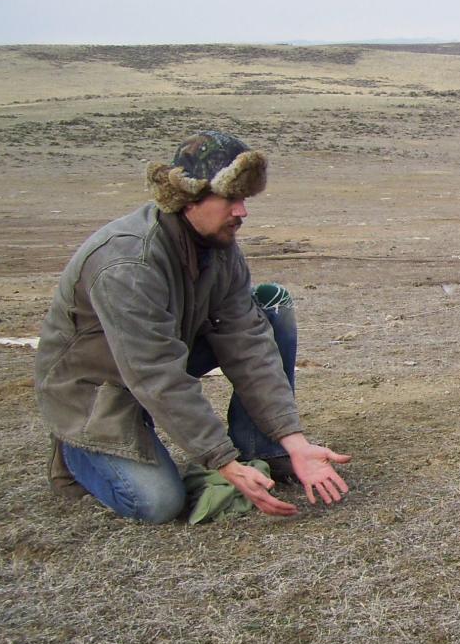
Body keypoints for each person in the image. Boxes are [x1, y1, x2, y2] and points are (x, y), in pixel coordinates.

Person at [35, 130, 350, 523]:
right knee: (159, 503)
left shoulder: (218, 248)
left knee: (268, 310)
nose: (242, 212)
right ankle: (75, 446)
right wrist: (224, 462)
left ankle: (264, 446)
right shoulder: (127, 265)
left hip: (158, 360)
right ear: (188, 198)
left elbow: (247, 342)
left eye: (244, 199)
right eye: (231, 199)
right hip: (97, 390)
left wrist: (295, 440)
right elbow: (156, 373)